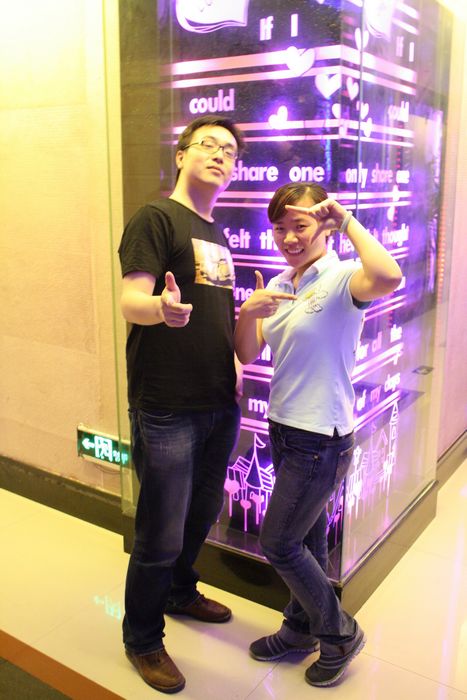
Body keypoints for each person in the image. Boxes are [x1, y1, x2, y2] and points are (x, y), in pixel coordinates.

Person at [234, 182, 402, 688]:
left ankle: (339, 633)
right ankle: (299, 628)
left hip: (320, 436)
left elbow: (389, 276)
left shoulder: (343, 277)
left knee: (280, 542)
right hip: (285, 428)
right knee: (306, 540)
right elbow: (246, 353)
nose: (288, 237)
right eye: (280, 227)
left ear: (324, 226)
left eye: (300, 225)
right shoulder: (280, 283)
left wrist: (346, 219)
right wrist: (248, 312)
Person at [118, 115, 245, 694]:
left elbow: (216, 314)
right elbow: (131, 300)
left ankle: (179, 590)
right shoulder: (156, 217)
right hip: (167, 403)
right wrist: (161, 311)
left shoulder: (216, 233)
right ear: (181, 155)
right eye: (208, 145)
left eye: (230, 151)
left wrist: (236, 361)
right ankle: (143, 637)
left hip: (218, 400)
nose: (220, 155)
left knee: (199, 515)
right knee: (160, 531)